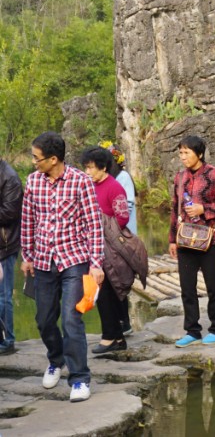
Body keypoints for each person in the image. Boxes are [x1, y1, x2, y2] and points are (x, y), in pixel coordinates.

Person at [20, 132, 104, 403]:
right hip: (43, 260)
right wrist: (27, 255)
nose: (34, 162)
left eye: (37, 158)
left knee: (71, 319)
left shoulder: (80, 181)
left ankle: (79, 378)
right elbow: (28, 220)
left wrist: (96, 264)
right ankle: (56, 360)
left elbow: (94, 224)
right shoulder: (33, 181)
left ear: (53, 159)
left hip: (73, 260)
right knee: (44, 320)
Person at [168, 135, 215, 346]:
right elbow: (175, 208)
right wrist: (172, 240)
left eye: (186, 152)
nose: (183, 157)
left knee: (213, 286)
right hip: (185, 240)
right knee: (187, 288)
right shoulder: (180, 177)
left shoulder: (214, 174)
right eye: (180, 153)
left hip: (211, 239)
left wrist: (203, 209)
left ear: (199, 154)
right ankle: (192, 331)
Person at [79, 146, 131, 356]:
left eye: (91, 168)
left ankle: (111, 337)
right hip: (92, 247)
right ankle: (116, 337)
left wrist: (99, 225)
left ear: (103, 167)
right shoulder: (89, 186)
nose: (87, 172)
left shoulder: (114, 187)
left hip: (110, 249)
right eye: (86, 167)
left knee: (106, 293)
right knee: (102, 292)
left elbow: (123, 218)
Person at [102, 142, 136, 338]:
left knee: (119, 280)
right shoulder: (106, 180)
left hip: (122, 237)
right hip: (109, 239)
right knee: (112, 281)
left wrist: (114, 229)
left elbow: (127, 206)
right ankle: (119, 322)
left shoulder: (122, 178)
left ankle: (124, 322)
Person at [0, 155, 23, 355]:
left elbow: (8, 213)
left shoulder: (10, 178)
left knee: (4, 295)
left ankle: (8, 340)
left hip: (5, 244)